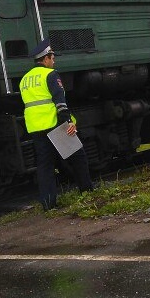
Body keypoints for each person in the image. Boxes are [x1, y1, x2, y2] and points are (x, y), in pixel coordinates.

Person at [19, 39, 94, 210]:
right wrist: (67, 121)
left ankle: (48, 203)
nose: (54, 61)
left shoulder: (24, 79)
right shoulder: (50, 75)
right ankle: (87, 190)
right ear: (45, 58)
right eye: (52, 57)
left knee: (45, 166)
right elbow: (60, 101)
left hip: (35, 127)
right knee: (78, 156)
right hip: (55, 124)